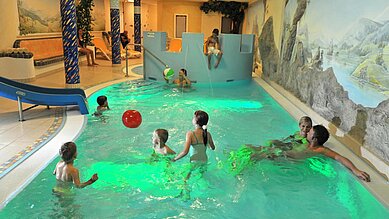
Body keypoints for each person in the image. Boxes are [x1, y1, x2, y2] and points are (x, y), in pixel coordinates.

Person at [251, 125, 371, 182]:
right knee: (266, 145)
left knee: (260, 154)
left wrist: (355, 170)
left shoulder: (320, 150)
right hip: (283, 154)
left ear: (314, 139)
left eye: (310, 132)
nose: (307, 132)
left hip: (287, 159)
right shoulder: (305, 141)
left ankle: (246, 165)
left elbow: (339, 157)